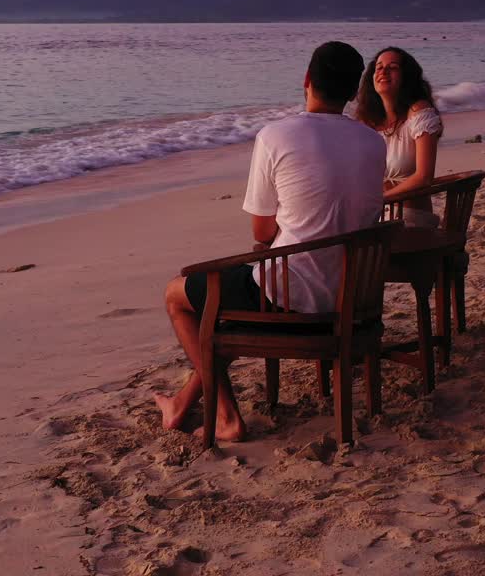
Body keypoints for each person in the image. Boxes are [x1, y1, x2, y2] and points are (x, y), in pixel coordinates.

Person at [154, 41, 386, 442]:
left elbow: (261, 234)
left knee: (178, 294)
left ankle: (226, 417)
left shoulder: (277, 135)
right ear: (353, 93)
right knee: (228, 300)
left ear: (307, 80)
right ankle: (180, 404)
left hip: (289, 301)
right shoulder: (373, 142)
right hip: (352, 300)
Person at [355, 47, 443, 228]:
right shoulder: (368, 121)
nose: (383, 72)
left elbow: (424, 177)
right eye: (378, 67)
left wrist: (382, 199)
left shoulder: (419, 113)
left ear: (406, 77)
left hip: (410, 220)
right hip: (375, 218)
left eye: (392, 67)